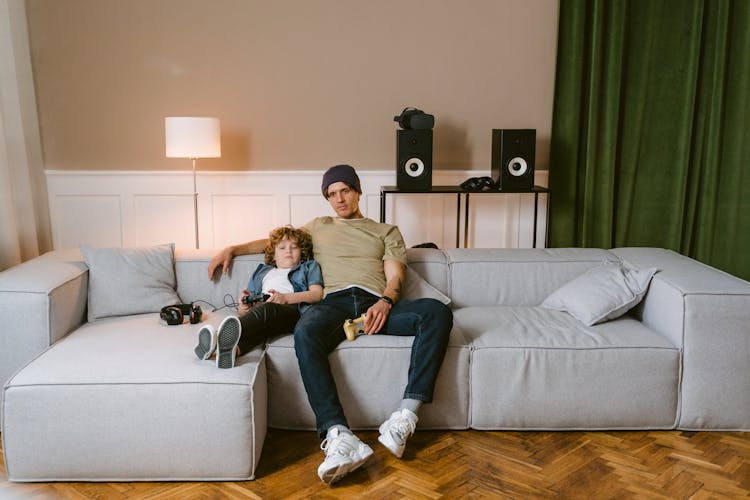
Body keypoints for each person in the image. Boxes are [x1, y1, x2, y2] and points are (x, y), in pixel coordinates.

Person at [208, 164, 453, 483]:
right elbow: (275, 242)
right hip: (330, 303)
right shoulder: (317, 226)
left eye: (345, 191)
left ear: (357, 191)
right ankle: (339, 436)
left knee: (437, 311)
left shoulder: (385, 231)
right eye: (331, 194)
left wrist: (386, 300)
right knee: (306, 331)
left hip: (373, 303)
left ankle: (405, 417)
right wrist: (233, 248)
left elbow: (396, 275)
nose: (339, 199)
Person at [196, 226, 323, 369]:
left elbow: (317, 294)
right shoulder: (262, 272)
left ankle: (218, 336)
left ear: (303, 252)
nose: (288, 251)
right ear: (273, 254)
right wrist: (243, 307)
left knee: (267, 310)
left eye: (294, 247)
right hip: (264, 313)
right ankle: (230, 351)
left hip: (293, 312)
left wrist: (286, 298)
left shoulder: (308, 266)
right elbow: (244, 312)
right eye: (282, 248)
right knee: (261, 327)